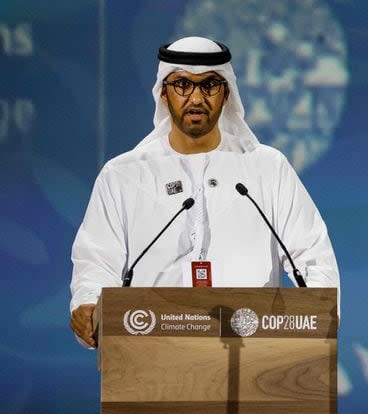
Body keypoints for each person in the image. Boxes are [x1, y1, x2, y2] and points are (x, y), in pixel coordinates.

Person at [69, 36, 340, 348]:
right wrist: (89, 304)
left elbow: (311, 253)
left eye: (209, 85)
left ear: (225, 94)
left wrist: (320, 319)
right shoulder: (124, 176)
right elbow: (98, 259)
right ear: (163, 93)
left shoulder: (266, 168)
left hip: (253, 349)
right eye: (182, 84)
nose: (196, 98)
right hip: (150, 351)